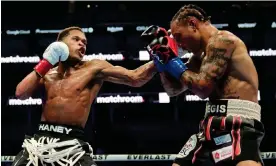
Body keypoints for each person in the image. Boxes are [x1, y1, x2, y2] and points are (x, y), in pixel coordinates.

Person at [13, 26, 158, 166]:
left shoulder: (93, 68)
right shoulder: (47, 74)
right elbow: (20, 93)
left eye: (84, 42)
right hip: (39, 144)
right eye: (76, 40)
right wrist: (46, 62)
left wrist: (161, 56)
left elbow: (135, 77)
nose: (82, 44)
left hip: (72, 146)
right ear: (60, 45)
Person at [142, 4, 265, 166]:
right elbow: (173, 90)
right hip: (210, 124)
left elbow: (202, 88)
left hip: (238, 123)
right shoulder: (199, 56)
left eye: (178, 37)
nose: (179, 44)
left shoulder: (223, 41)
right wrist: (162, 63)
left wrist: (172, 61)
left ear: (192, 24)